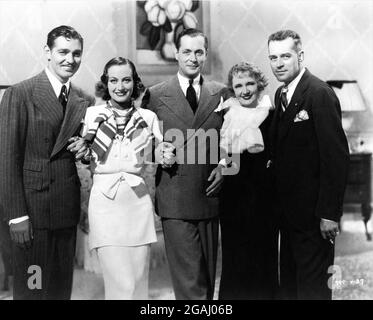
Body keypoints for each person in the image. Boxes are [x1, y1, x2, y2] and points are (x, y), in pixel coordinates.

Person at [0, 25, 94, 300]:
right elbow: (6, 160)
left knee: (59, 291)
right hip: (31, 213)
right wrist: (17, 216)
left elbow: (87, 152)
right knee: (32, 289)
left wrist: (85, 148)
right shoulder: (20, 94)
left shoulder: (84, 99)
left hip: (66, 209)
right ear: (47, 53)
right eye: (63, 52)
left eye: (76, 53)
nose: (70, 59)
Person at [267, 30, 349, 300]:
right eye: (273, 57)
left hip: (314, 217)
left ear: (300, 56)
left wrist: (329, 214)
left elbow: (335, 158)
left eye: (285, 56)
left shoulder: (319, 93)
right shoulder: (281, 93)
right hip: (288, 216)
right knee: (291, 288)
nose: (278, 63)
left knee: (313, 290)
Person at [81, 57, 172, 299]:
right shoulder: (92, 115)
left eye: (126, 80)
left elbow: (160, 152)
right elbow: (82, 153)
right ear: (106, 83)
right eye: (113, 80)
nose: (120, 86)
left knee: (138, 278)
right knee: (121, 282)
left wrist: (165, 153)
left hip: (137, 202)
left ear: (135, 82)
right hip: (104, 203)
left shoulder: (148, 118)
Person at [146, 28, 225, 300]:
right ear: (176, 54)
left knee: (207, 278)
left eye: (199, 52)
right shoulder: (154, 96)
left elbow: (234, 136)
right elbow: (142, 144)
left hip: (210, 196)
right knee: (190, 284)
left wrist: (225, 165)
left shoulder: (221, 93)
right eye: (187, 51)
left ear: (205, 55)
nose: (193, 58)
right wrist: (158, 151)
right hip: (175, 199)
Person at [217, 62, 279, 300]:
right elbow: (226, 158)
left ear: (259, 85)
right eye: (239, 85)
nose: (245, 90)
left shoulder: (271, 116)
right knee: (236, 261)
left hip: (265, 199)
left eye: (250, 84)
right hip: (234, 198)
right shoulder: (228, 116)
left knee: (264, 260)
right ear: (232, 90)